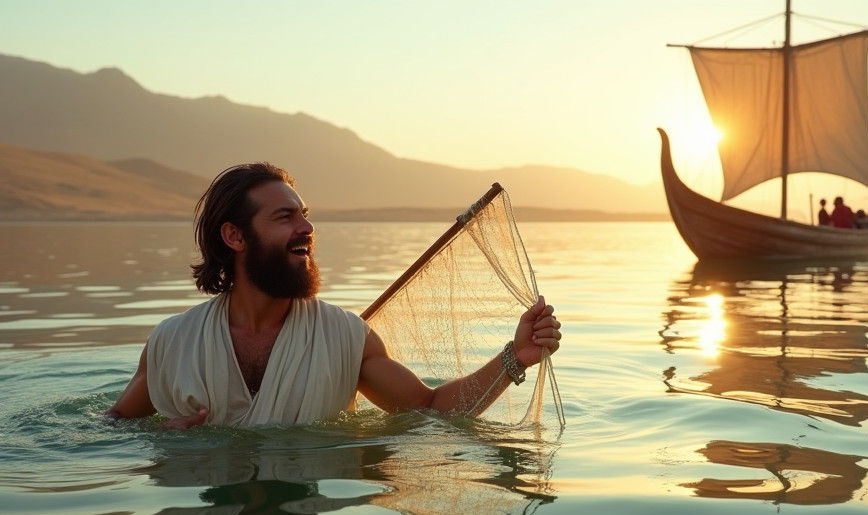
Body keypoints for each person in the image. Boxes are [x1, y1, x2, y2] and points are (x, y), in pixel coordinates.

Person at [106, 162, 562, 429]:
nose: (306, 228)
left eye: (304, 216)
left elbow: (432, 409)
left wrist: (514, 357)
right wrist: (165, 441)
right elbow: (110, 429)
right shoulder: (173, 343)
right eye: (285, 217)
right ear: (235, 236)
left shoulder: (346, 338)